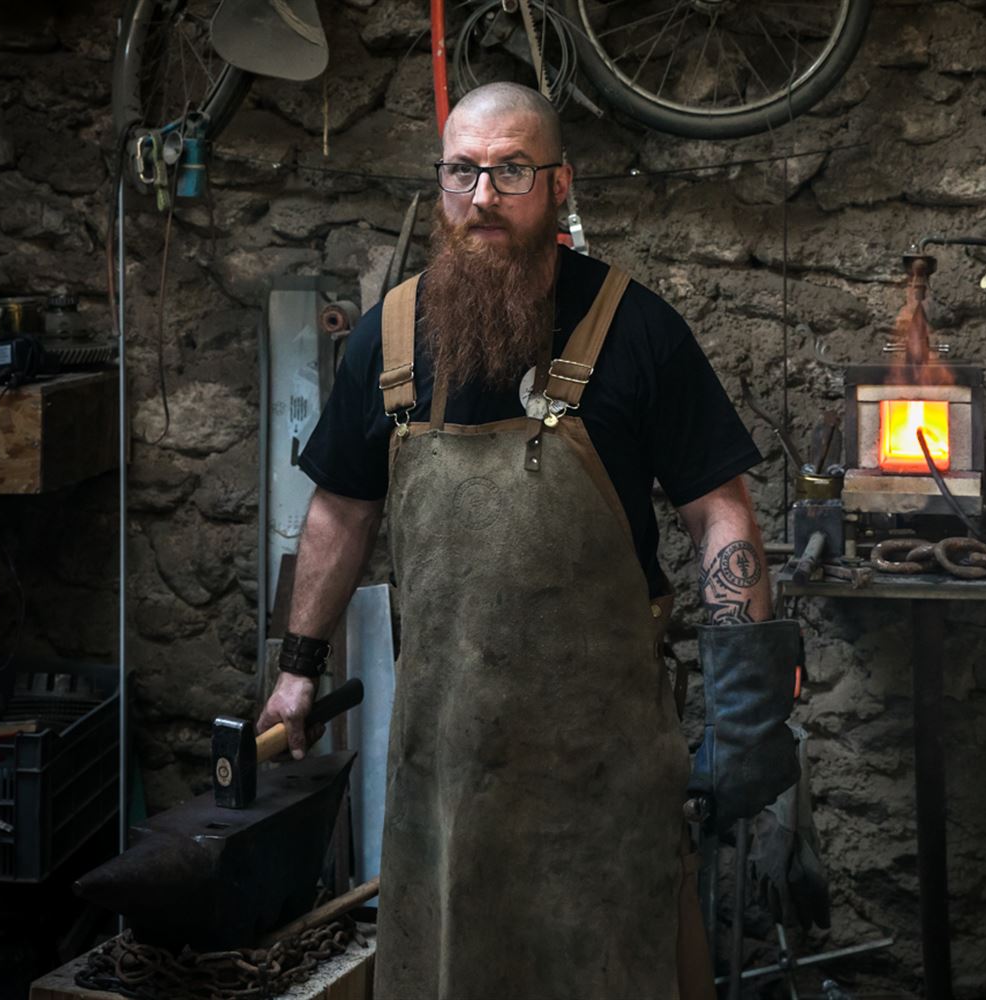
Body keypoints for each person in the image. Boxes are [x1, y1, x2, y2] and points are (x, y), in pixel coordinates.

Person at [257, 81, 800, 1000]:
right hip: (446, 766)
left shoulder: (636, 330)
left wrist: (744, 705)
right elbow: (341, 510)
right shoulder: (389, 337)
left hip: (602, 763)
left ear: (559, 184)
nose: (483, 197)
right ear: (440, 188)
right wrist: (298, 665)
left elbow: (719, 509)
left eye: (511, 171)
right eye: (462, 172)